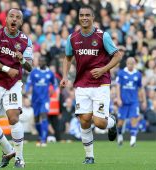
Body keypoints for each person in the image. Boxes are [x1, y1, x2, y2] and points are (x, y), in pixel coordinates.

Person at [60, 5, 122, 164]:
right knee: (85, 119)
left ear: (93, 17)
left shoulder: (103, 36)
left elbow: (117, 56)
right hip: (81, 84)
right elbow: (67, 58)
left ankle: (111, 122)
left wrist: (103, 69)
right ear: (79, 17)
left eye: (88, 15)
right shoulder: (72, 38)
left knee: (100, 123)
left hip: (101, 84)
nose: (84, 17)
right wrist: (65, 76)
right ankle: (89, 156)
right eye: (82, 15)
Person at [0, 8, 33, 168]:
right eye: (12, 16)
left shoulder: (26, 41)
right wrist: (6, 69)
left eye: (18, 17)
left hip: (13, 84)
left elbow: (29, 67)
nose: (14, 19)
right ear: (6, 19)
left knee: (13, 117)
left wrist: (22, 60)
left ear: (21, 22)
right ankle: (9, 150)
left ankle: (20, 158)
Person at [26, 56, 57, 146]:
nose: (40, 62)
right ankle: (40, 136)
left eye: (42, 61)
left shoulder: (50, 73)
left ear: (45, 62)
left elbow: (54, 84)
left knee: (44, 116)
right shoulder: (34, 72)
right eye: (39, 61)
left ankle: (44, 139)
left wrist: (52, 90)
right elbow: (28, 83)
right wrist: (27, 90)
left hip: (45, 99)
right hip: (35, 99)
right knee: (36, 119)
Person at [116, 57, 147, 147]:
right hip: (123, 101)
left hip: (134, 101)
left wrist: (144, 100)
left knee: (134, 119)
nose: (130, 65)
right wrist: (118, 98)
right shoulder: (121, 73)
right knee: (121, 122)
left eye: (132, 64)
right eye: (129, 63)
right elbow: (118, 86)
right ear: (126, 63)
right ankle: (120, 135)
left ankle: (133, 140)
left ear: (134, 64)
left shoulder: (138, 74)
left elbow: (141, 88)